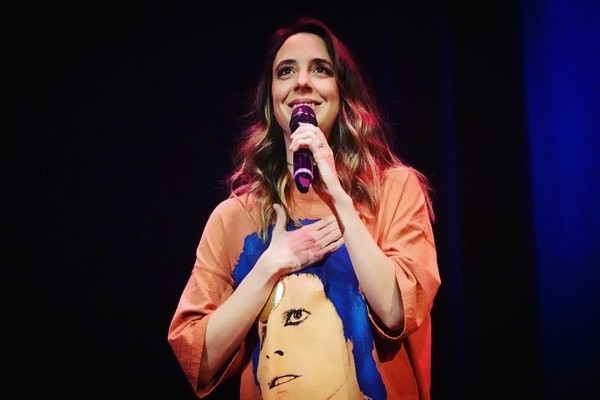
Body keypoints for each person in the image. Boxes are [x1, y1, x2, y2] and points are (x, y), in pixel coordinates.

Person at [167, 16, 441, 400]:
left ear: (342, 91)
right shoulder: (235, 217)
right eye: (286, 71)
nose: (302, 82)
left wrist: (340, 199)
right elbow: (197, 358)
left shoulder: (395, 190)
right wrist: (269, 266)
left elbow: (396, 311)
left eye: (320, 69)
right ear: (271, 98)